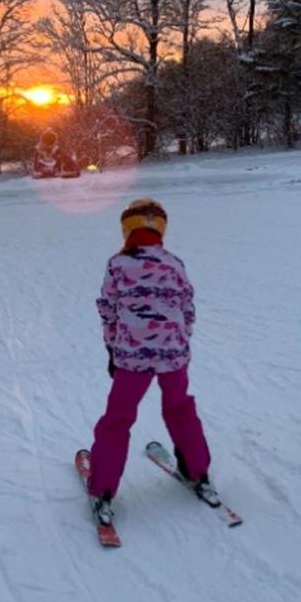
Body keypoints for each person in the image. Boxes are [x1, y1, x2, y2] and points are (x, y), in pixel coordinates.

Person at [87, 197, 213, 524]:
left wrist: (112, 348)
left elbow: (108, 310)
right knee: (180, 409)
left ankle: (102, 488)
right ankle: (198, 471)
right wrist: (177, 344)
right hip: (174, 356)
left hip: (132, 358)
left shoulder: (118, 264)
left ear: (127, 229)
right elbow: (188, 310)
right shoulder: (174, 262)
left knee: (118, 418)